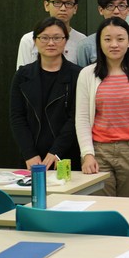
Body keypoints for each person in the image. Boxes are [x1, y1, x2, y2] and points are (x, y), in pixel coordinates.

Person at [75, 17, 129, 197]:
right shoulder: (87, 74)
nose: (114, 44)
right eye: (107, 39)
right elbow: (81, 119)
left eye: (120, 39)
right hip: (99, 151)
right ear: (99, 43)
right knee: (102, 210)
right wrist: (87, 154)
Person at [10, 17, 82, 169]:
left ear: (66, 41)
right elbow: (17, 117)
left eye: (57, 38)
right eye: (44, 38)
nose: (51, 43)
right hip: (30, 157)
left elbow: (76, 118)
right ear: (35, 41)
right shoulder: (22, 75)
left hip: (66, 156)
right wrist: (29, 153)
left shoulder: (78, 75)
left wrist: (56, 152)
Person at [75, 0, 129, 67]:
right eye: (110, 6)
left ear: (128, 10)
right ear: (101, 10)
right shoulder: (86, 46)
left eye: (121, 6)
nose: (116, 11)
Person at [17, 0, 85, 67]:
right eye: (57, 2)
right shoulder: (28, 40)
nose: (63, 8)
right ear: (46, 5)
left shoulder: (82, 41)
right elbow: (23, 76)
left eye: (68, 3)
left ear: (75, 8)